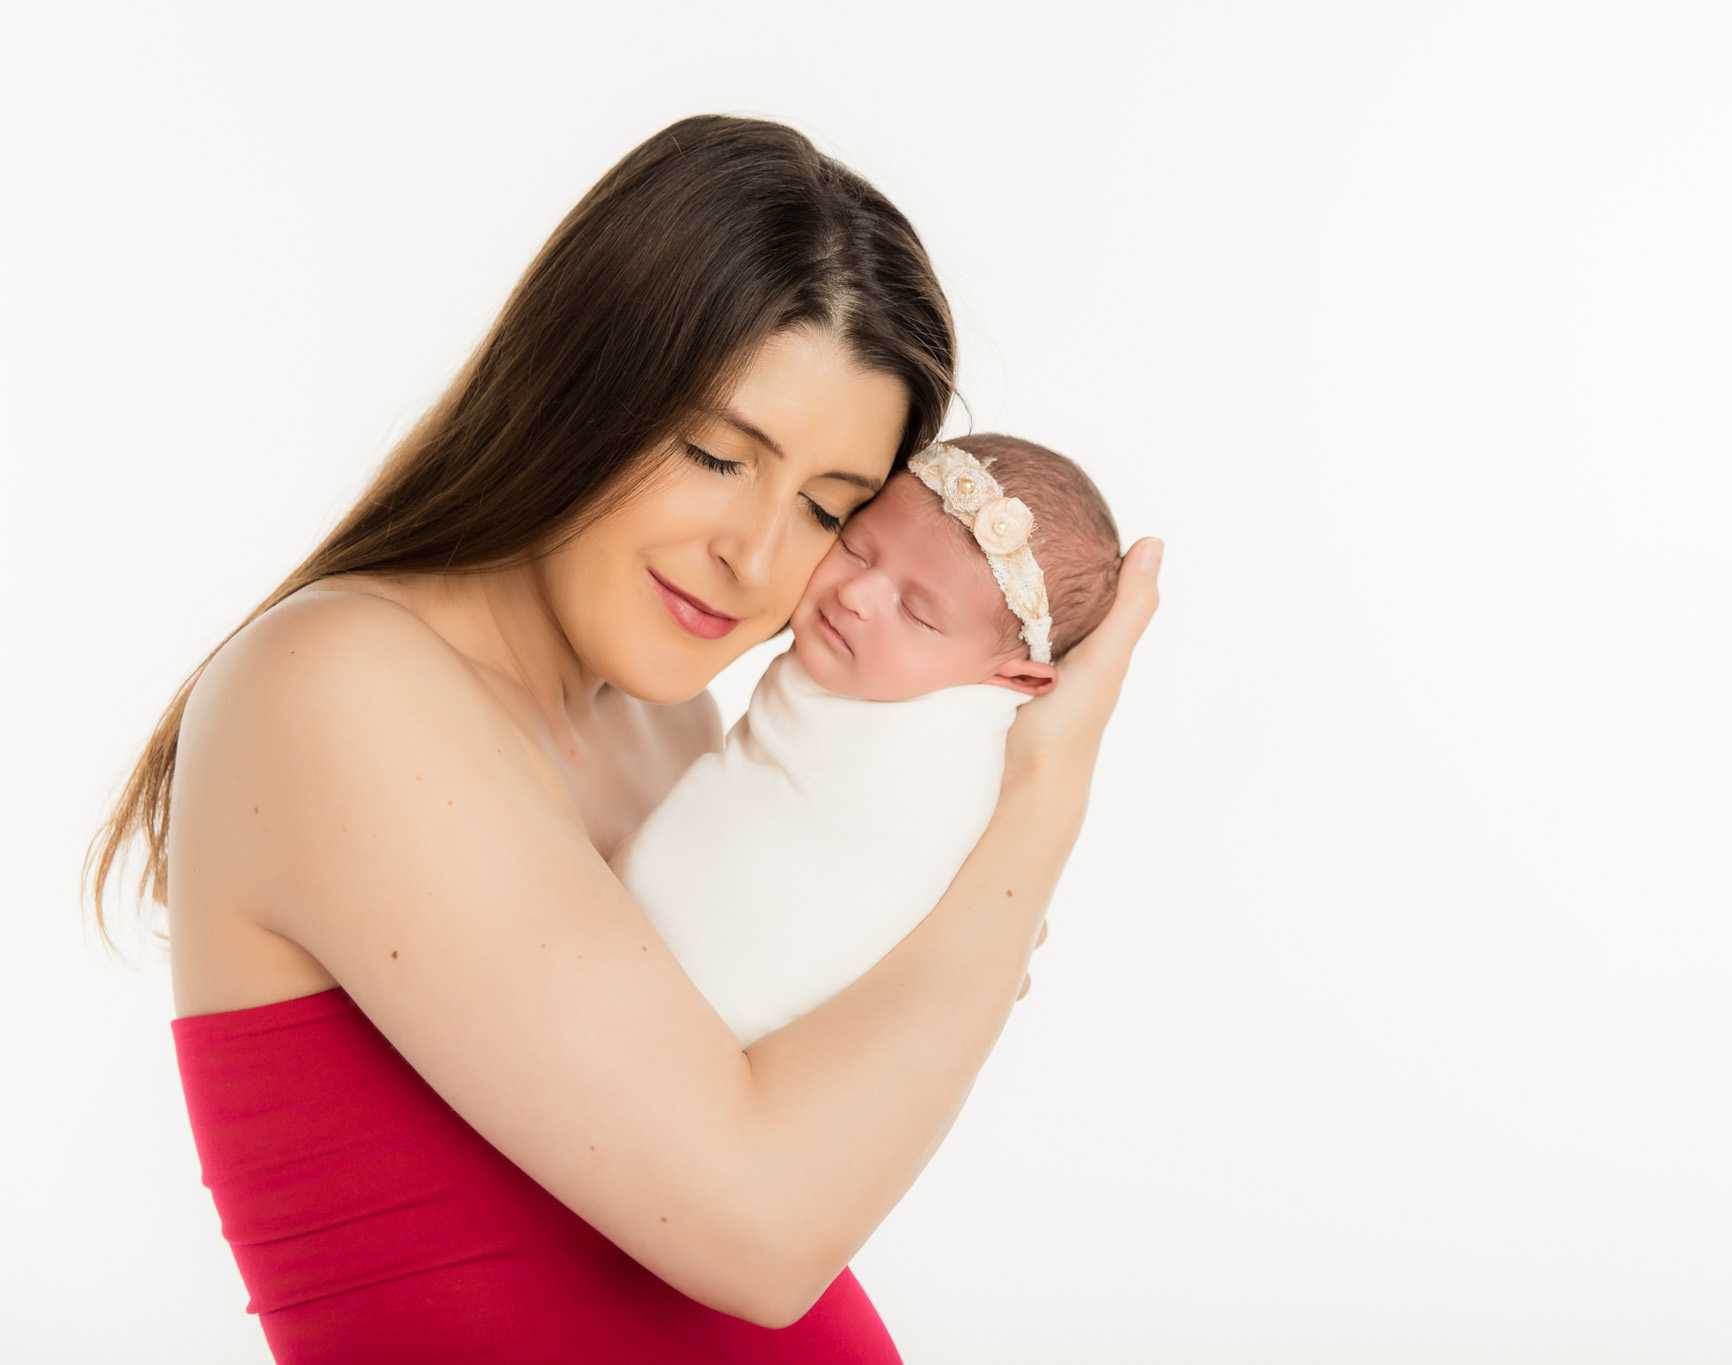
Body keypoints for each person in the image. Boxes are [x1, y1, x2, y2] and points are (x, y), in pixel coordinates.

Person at [87, 115, 1160, 1363]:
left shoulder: (671, 723)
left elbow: (820, 1114)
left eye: (826, 507)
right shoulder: (339, 684)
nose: (757, 558)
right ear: (578, 381)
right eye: (715, 454)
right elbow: (763, 1229)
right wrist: (1045, 790)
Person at [619, 435, 1121, 1047]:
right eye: (856, 550)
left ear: (1013, 680)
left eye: (917, 613)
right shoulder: (887, 674)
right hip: (632, 964)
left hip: (712, 1018)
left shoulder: (942, 748)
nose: (855, 595)